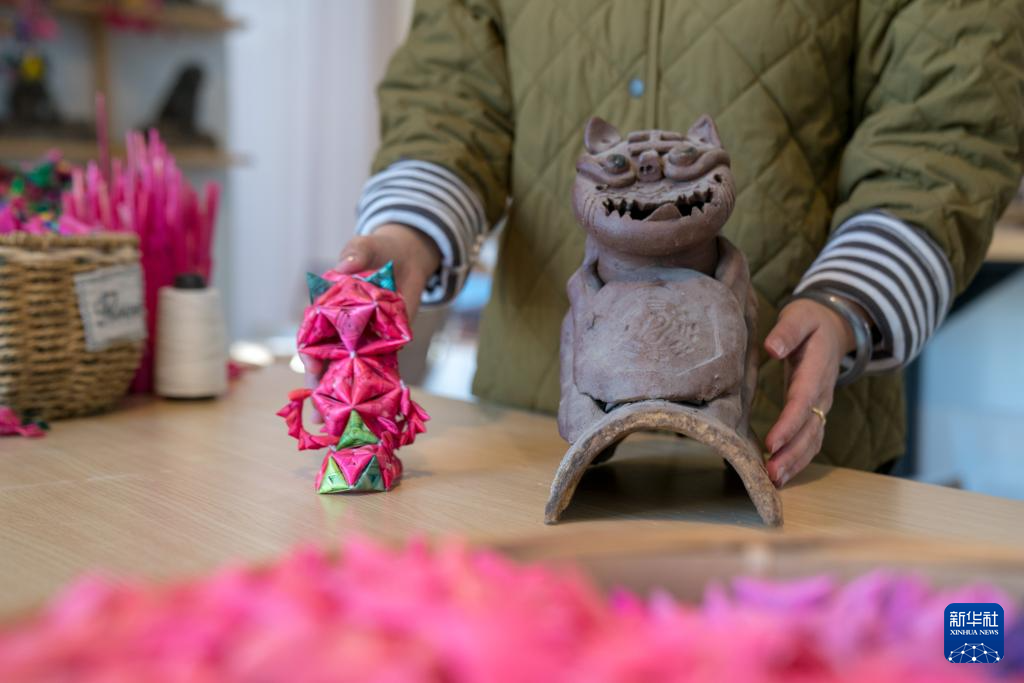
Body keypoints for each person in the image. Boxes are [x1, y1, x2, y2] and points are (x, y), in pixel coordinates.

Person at [313, 0, 1024, 487]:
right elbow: (451, 93)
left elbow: (947, 121)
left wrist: (853, 299)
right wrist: (411, 226)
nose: (652, 178)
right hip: (529, 446)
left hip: (795, 449)